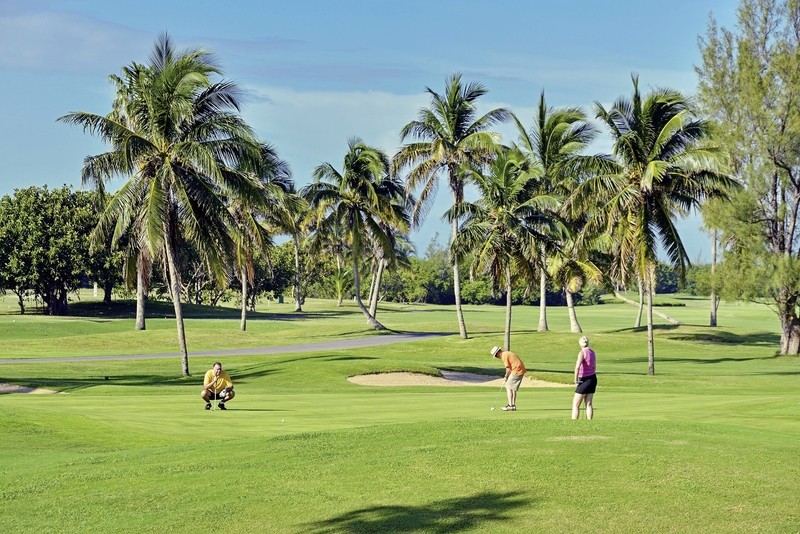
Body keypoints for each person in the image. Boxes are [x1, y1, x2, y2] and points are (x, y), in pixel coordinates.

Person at [491, 346, 526, 411]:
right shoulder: (506, 353)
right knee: (513, 388)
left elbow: (508, 369)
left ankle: (510, 405)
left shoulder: (504, 356)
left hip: (516, 370)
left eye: (496, 355)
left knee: (508, 386)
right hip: (520, 370)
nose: (496, 357)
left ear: (498, 352)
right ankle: (513, 405)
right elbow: (510, 367)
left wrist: (506, 377)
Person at [572, 336, 597, 420]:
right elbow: (594, 366)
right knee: (588, 403)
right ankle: (589, 423)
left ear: (580, 343)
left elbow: (577, 367)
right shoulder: (592, 352)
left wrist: (575, 380)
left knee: (576, 404)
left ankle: (574, 423)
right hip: (593, 378)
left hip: (584, 379)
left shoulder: (582, 353)